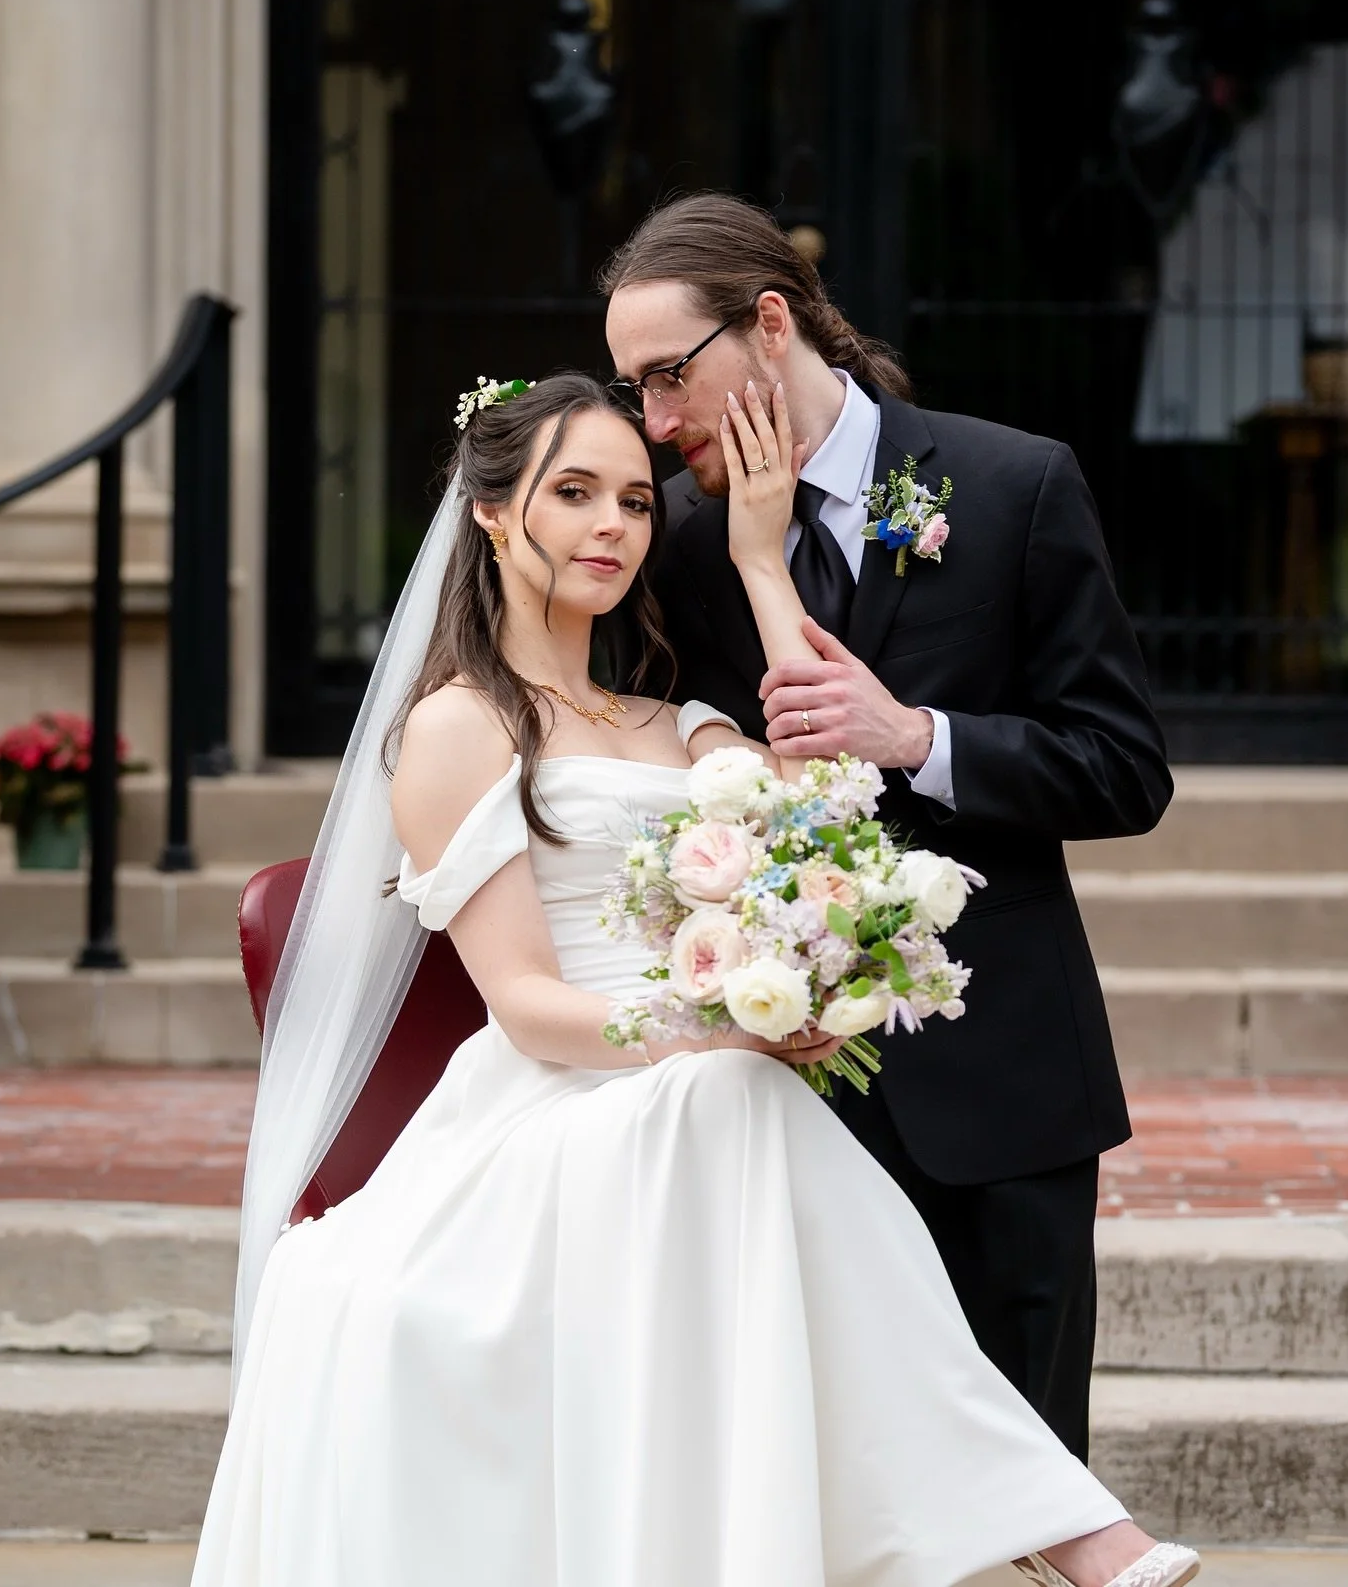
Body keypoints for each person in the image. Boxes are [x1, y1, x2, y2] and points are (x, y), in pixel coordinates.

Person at [191, 370, 1197, 1587]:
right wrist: (708, 1030)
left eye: (632, 498)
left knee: (739, 1107)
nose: (614, 524)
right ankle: (1060, 1527)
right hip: (553, 1098)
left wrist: (765, 567)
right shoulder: (460, 726)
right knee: (734, 1101)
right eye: (574, 494)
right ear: (496, 514)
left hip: (698, 1086)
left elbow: (839, 817)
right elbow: (521, 1002)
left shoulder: (683, 725)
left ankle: (1025, 1524)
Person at [603, 194, 1173, 1464]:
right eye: (632, 387)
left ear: (767, 326)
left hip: (1005, 1082)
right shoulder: (686, 549)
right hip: (791, 1093)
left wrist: (918, 738)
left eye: (664, 378)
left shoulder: (1016, 483)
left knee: (1026, 1478)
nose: (653, 423)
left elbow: (1126, 770)